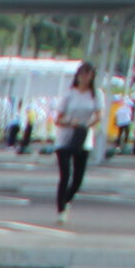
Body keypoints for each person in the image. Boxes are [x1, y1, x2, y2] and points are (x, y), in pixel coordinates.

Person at [53, 62, 99, 223]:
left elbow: (99, 115)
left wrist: (86, 125)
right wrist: (70, 122)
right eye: (82, 74)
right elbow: (57, 119)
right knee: (65, 174)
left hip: (83, 138)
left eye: (88, 74)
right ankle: (61, 210)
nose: (85, 77)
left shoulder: (95, 94)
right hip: (65, 138)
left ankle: (66, 200)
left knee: (78, 178)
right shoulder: (69, 94)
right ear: (77, 76)